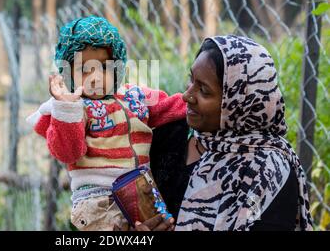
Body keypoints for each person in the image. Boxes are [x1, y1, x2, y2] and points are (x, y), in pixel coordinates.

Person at [26, 16, 187, 231]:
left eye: (104, 67)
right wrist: (67, 109)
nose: (96, 77)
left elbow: (173, 106)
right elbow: (68, 153)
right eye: (84, 69)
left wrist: (197, 101)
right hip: (98, 203)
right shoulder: (72, 107)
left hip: (141, 193)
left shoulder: (134, 96)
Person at [141, 35, 313, 231]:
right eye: (191, 80)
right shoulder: (170, 135)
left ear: (238, 104)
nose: (187, 95)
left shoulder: (265, 172)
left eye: (204, 90)